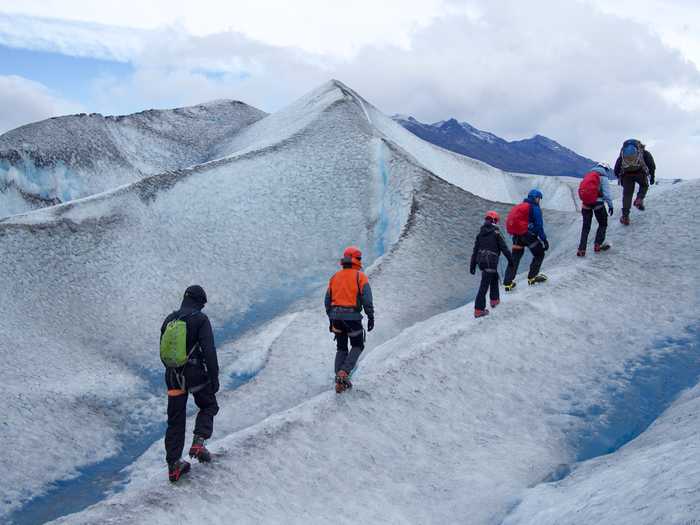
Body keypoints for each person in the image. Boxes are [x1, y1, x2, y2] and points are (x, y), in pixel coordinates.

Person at [160, 285, 220, 482]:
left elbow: (163, 352)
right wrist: (214, 377)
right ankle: (198, 443)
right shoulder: (200, 319)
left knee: (175, 420)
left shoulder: (170, 319)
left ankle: (174, 465)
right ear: (199, 302)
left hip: (172, 376)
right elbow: (209, 350)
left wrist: (174, 370)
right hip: (194, 374)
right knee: (209, 404)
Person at [324, 246, 374, 393]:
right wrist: (371, 316)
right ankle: (344, 373)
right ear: (356, 260)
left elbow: (327, 300)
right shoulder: (360, 277)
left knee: (341, 347)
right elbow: (367, 300)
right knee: (358, 345)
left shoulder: (335, 277)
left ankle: (339, 379)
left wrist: (331, 318)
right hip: (352, 318)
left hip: (335, 317)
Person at [470, 210, 514, 318]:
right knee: (484, 285)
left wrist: (472, 265)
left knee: (494, 278)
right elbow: (504, 248)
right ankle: (479, 310)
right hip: (491, 261)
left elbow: (475, 250)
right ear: (494, 220)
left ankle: (494, 300)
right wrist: (511, 261)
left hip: (482, 262)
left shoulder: (480, 234)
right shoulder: (496, 233)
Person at [503, 189, 549, 290]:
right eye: (539, 198)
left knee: (515, 257)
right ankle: (532, 277)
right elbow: (539, 225)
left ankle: (508, 283)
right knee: (539, 253)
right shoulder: (534, 208)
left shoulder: (521, 206)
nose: (539, 200)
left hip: (516, 235)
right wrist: (544, 240)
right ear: (535, 198)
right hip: (527, 235)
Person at [614, 139, 656, 225]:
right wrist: (652, 177)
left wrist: (620, 178)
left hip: (626, 176)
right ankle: (639, 199)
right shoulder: (644, 152)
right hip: (640, 173)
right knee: (644, 186)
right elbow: (652, 165)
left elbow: (616, 169)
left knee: (627, 195)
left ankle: (625, 217)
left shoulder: (622, 154)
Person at [577, 163, 614, 256]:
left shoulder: (589, 174)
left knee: (585, 227)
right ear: (605, 168)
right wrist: (610, 206)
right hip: (598, 203)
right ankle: (598, 244)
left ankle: (581, 250)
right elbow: (606, 194)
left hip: (586, 203)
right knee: (603, 223)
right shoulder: (603, 177)